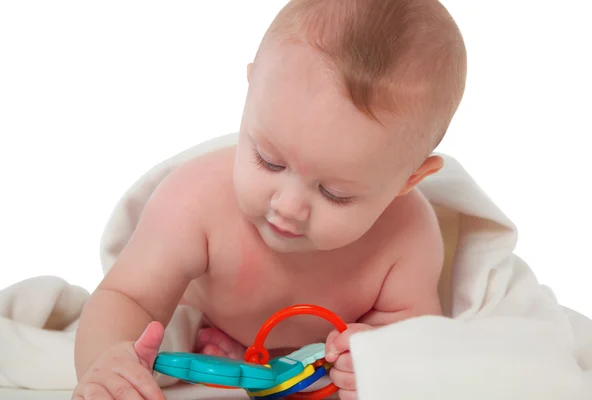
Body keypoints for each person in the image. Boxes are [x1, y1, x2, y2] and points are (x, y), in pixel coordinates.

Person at [72, 0, 467, 399]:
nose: (288, 206)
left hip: (304, 363)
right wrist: (109, 360)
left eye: (335, 193)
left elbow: (414, 338)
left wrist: (371, 358)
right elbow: (128, 296)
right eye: (269, 161)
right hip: (204, 320)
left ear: (409, 179)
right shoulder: (197, 203)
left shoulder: (406, 237)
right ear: (252, 90)